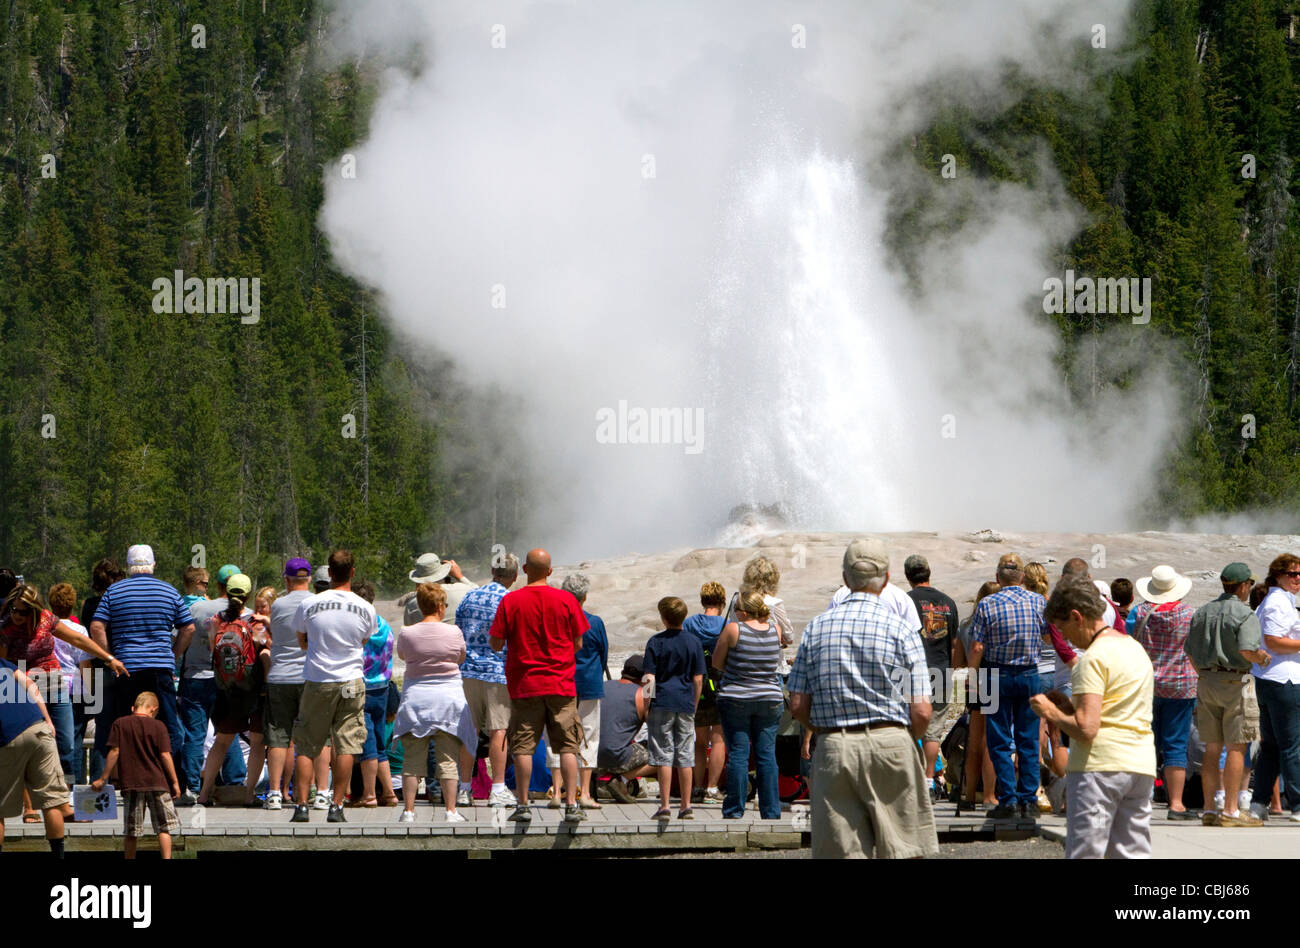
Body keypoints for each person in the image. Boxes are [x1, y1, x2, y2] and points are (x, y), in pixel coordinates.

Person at [788, 538, 937, 859]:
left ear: (845, 578)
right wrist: (901, 737)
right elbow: (923, 711)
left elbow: (797, 704)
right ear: (885, 580)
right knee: (903, 850)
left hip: (835, 747)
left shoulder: (816, 628)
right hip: (892, 743)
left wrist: (827, 727)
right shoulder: (902, 629)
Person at [1031, 577, 1156, 859]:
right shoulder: (1135, 649)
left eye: (1063, 630)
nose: (1065, 639)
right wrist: (1066, 706)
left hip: (1099, 768)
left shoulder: (1092, 660)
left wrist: (1050, 712)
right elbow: (1116, 708)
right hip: (1140, 764)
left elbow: (1087, 728)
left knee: (1087, 852)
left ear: (1077, 617)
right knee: (1131, 852)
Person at [489, 548, 589, 824]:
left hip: (524, 685)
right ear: (550, 571)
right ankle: (571, 804)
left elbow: (496, 642)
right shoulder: (567, 600)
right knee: (568, 746)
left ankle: (522, 805)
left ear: (523, 569)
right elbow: (578, 643)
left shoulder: (511, 601)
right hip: (561, 684)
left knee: (522, 747)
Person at [1, 584, 124, 789]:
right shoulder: (6, 628)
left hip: (55, 684)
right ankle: (32, 797)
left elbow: (77, 638)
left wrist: (109, 658)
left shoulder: (46, 619)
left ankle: (66, 793)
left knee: (66, 743)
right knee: (31, 742)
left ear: (33, 608)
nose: (17, 615)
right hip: (24, 690)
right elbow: (3, 667)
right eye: (14, 610)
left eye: (22, 611)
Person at [288, 549, 375, 824]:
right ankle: (336, 806)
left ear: (329, 572)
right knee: (347, 743)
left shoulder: (311, 604)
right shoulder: (365, 607)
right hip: (350, 679)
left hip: (318, 679)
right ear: (352, 572)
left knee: (307, 743)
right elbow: (363, 641)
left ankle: (302, 805)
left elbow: (302, 640)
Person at [90, 544, 194, 772]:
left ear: (128, 567)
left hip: (127, 667)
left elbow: (97, 626)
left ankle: (131, 775)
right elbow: (188, 628)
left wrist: (109, 657)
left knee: (127, 723)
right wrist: (173, 655)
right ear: (153, 565)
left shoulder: (114, 592)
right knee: (168, 724)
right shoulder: (169, 591)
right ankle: (171, 777)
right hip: (160, 667)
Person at [1187, 562, 1268, 827]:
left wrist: (1204, 672)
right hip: (1236, 680)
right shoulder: (1245, 615)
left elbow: (1189, 650)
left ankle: (1210, 807)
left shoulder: (1202, 612)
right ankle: (1231, 809)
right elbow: (1247, 650)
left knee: (1212, 746)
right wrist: (1262, 658)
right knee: (1236, 746)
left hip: (1207, 679)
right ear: (1244, 585)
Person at [967, 553, 1045, 820]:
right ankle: (1029, 799)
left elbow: (977, 646)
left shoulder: (987, 604)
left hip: (995, 676)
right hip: (1029, 675)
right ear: (1022, 578)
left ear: (998, 578)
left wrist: (971, 676)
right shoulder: (1037, 601)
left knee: (999, 740)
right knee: (1028, 738)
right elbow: (1047, 635)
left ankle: (1008, 800)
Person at [393, 583, 477, 823]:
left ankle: (408, 811)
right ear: (441, 606)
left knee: (412, 761)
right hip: (447, 700)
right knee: (448, 761)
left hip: (416, 700)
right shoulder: (454, 632)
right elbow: (460, 657)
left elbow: (403, 656)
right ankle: (451, 811)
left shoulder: (407, 633)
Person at [195, 574, 270, 807]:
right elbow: (262, 647)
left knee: (222, 741)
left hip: (226, 689)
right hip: (253, 689)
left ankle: (204, 795)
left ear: (226, 592)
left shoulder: (215, 620)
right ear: (247, 595)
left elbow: (211, 648)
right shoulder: (254, 621)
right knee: (257, 743)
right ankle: (249, 795)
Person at [177, 563, 247, 803]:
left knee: (194, 735)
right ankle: (235, 782)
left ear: (217, 585)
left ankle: (192, 788)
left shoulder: (197, 608)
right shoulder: (243, 613)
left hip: (196, 677)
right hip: (228, 680)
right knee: (228, 731)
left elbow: (180, 636)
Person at [1132, 564, 1198, 819]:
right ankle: (1176, 803)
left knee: (1145, 742)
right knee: (1176, 745)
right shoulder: (1190, 615)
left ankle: (1142, 800)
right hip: (1181, 686)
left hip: (1146, 685)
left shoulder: (1139, 613)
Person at [712, 589, 782, 819]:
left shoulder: (734, 629)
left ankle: (734, 809)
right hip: (770, 698)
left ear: (742, 612)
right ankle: (771, 811)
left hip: (737, 698)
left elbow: (717, 662)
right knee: (766, 755)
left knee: (739, 755)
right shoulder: (775, 629)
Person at [264, 558, 328, 811]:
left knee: (278, 736)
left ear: (286, 579)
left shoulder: (278, 605)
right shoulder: (317, 602)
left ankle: (274, 793)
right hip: (310, 676)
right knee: (319, 735)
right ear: (310, 578)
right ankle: (322, 791)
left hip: (279, 676)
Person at [457, 552, 519, 808]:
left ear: (493, 571)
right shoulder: (510, 599)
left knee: (469, 731)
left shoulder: (469, 596)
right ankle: (498, 788)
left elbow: (458, 631)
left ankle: (463, 789)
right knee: (499, 731)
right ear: (514, 576)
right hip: (497, 672)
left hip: (468, 672)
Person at [92, 691, 181, 859]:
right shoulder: (159, 726)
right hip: (158, 783)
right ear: (154, 709)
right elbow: (165, 755)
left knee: (132, 831)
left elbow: (114, 752)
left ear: (133, 708)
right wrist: (174, 782)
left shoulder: (120, 723)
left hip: (132, 784)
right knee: (164, 828)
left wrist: (103, 778)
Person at [546, 573, 607, 809]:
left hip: (560, 683)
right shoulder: (595, 622)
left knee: (556, 736)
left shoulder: (554, 620)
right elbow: (603, 655)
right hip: (589, 684)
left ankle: (555, 792)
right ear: (585, 597)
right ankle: (585, 793)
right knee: (589, 737)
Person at [643, 596, 706, 821]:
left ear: (663, 617)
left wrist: (646, 703)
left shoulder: (655, 642)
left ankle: (665, 805)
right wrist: (694, 703)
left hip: (662, 701)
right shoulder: (694, 642)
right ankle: (686, 805)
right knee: (685, 754)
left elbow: (649, 677)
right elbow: (698, 679)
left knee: (663, 755)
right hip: (685, 702)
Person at [0, 656, 68, 856]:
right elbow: (32, 687)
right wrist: (48, 721)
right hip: (38, 728)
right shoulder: (3, 663)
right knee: (51, 801)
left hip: (6, 737)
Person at [1249, 553, 1300, 822]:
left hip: (1271, 678)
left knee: (1271, 746)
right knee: (1292, 745)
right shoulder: (1277, 602)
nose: (1297, 579)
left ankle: (1258, 803)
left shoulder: (1277, 601)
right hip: (1284, 680)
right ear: (1278, 575)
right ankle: (1298, 803)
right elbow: (1274, 640)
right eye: (1292, 574)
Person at [903, 554, 959, 797]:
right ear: (929, 572)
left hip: (912, 671)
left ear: (907, 576)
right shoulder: (948, 602)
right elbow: (955, 642)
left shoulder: (906, 601)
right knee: (933, 730)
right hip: (942, 670)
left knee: (910, 727)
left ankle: (913, 780)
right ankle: (929, 780)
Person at [351, 580, 399, 808]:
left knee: (367, 743)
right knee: (380, 742)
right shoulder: (384, 625)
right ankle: (389, 794)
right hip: (383, 687)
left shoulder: (357, 627)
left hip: (362, 688)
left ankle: (369, 795)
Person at [953, 581, 1000, 810]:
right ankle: (990, 795)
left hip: (974, 681)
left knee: (973, 742)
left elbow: (957, 663)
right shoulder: (999, 620)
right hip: (994, 676)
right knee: (991, 742)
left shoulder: (966, 624)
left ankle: (969, 795)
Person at [683, 581, 727, 802]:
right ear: (722, 601)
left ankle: (698, 787)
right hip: (720, 685)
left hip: (697, 686)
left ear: (702, 601)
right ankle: (712, 788)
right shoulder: (725, 624)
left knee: (700, 742)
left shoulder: (690, 623)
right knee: (718, 740)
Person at [48, 583, 95, 783]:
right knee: (74, 738)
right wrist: (92, 692)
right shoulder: (79, 630)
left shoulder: (46, 628)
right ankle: (73, 784)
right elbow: (84, 663)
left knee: (52, 738)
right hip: (75, 685)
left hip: (47, 683)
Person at [597, 654, 655, 802]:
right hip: (616, 758)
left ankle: (595, 779)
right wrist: (650, 688)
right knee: (664, 754)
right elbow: (655, 728)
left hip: (593, 756)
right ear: (643, 677)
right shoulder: (641, 695)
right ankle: (621, 780)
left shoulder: (604, 686)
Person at [400, 553, 478, 627]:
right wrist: (459, 576)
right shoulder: (462, 590)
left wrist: (419, 589)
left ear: (419, 580)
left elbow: (409, 630)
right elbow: (479, 594)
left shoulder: (412, 604)